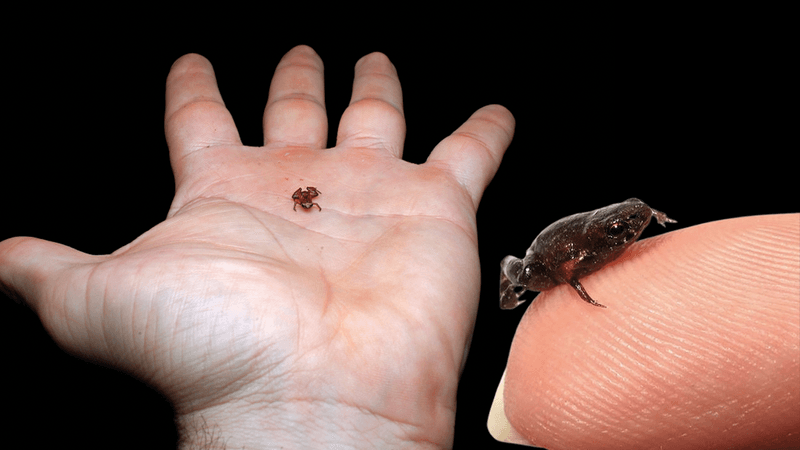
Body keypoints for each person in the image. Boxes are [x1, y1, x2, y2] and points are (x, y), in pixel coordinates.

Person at [0, 45, 796, 449]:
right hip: (555, 252)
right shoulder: (552, 264)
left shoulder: (611, 229)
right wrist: (287, 412)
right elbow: (566, 256)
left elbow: (623, 216)